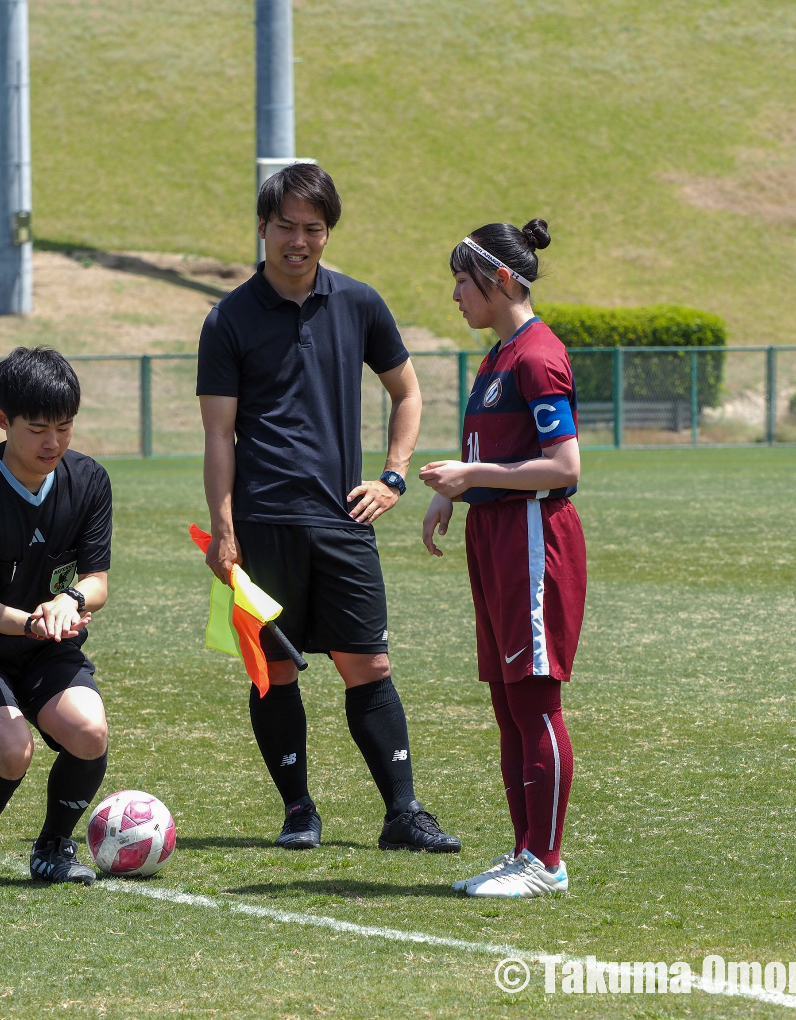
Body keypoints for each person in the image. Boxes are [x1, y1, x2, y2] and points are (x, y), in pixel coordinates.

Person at [197, 163, 460, 855]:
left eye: (312, 228)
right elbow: (218, 435)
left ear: (327, 233)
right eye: (285, 226)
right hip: (262, 525)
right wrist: (224, 530)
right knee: (275, 671)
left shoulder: (360, 303)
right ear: (262, 227)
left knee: (368, 666)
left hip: (344, 522)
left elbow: (408, 392)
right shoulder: (227, 319)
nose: (299, 240)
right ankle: (298, 811)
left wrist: (393, 477)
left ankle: (403, 813)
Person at [419, 218, 584, 898]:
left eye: (464, 280)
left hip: (532, 537)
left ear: (503, 280)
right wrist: (453, 492)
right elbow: (493, 450)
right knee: (508, 701)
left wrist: (472, 477)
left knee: (534, 699)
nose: (456, 295)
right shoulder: (496, 358)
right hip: (493, 535)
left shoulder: (537, 356)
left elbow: (564, 466)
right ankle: (523, 853)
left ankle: (546, 862)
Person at [0, 346, 112, 888]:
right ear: (2, 420)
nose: (53, 442)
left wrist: (70, 602)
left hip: (47, 647)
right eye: (37, 429)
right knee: (13, 752)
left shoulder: (89, 480)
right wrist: (38, 621)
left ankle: (53, 848)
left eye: (64, 427)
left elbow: (97, 582)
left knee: (89, 732)